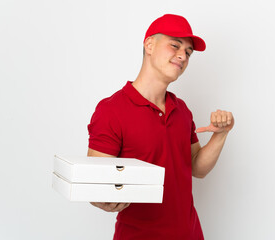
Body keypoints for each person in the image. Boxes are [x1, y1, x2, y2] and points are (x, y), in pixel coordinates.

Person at [87, 14, 234, 240]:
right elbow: (94, 183)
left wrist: (220, 135)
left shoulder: (182, 110)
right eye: (175, 45)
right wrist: (102, 199)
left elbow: (197, 168)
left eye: (188, 52)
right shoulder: (112, 110)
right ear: (149, 45)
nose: (183, 56)